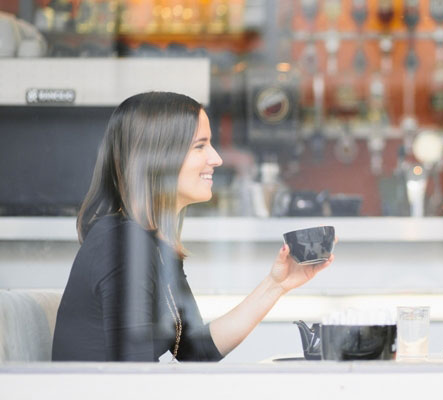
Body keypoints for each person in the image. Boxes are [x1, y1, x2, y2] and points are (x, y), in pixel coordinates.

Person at [52, 92, 333, 361]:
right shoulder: (121, 246)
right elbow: (133, 381)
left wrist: (276, 285)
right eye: (200, 146)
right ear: (158, 157)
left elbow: (194, 351)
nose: (217, 159)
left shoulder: (151, 244)